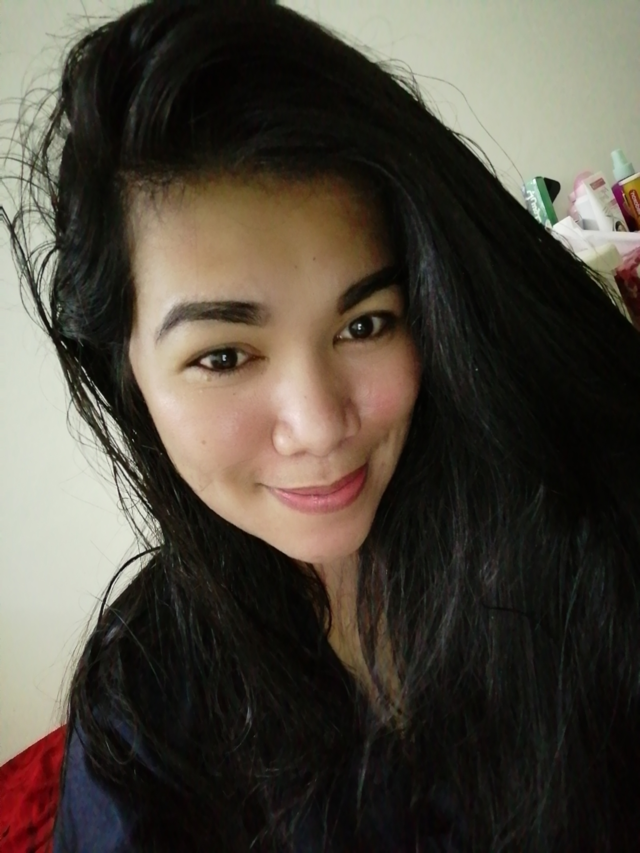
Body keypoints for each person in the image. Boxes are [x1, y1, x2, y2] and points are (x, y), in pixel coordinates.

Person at [6, 0, 640, 849]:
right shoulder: (144, 706)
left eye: (364, 324)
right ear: (129, 374)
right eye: (224, 355)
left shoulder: (585, 545)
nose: (318, 426)